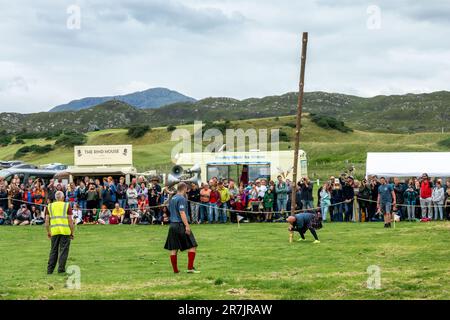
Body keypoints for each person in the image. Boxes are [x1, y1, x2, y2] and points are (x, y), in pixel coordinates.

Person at [164, 182, 199, 274]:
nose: (187, 191)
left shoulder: (173, 198)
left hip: (172, 225)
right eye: (187, 189)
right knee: (192, 245)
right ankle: (190, 268)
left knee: (174, 248)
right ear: (184, 189)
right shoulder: (181, 198)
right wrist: (187, 226)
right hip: (180, 225)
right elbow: (182, 212)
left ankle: (175, 270)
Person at [45, 191, 74, 274]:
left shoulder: (49, 206)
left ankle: (49, 270)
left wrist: (48, 232)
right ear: (63, 197)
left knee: (53, 250)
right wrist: (72, 232)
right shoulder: (66, 205)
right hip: (65, 231)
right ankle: (61, 269)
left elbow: (47, 222)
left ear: (55, 198)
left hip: (54, 231)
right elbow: (70, 221)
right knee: (63, 251)